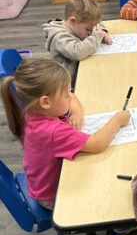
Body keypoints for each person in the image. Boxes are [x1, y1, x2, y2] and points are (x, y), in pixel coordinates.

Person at [0, 57, 130, 209]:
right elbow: (98, 144)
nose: (70, 97)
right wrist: (118, 119)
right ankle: (120, 229)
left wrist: (77, 114)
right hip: (52, 196)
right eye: (66, 95)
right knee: (108, 186)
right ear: (46, 102)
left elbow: (73, 98)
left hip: (38, 184)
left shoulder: (32, 111)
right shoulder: (53, 131)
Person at [43, 0, 112, 87]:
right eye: (88, 30)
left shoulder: (77, 25)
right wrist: (96, 36)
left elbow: (96, 22)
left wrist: (102, 31)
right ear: (72, 21)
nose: (90, 33)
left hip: (86, 71)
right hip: (70, 85)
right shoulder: (59, 37)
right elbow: (77, 52)